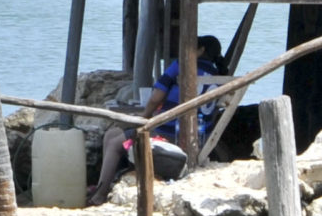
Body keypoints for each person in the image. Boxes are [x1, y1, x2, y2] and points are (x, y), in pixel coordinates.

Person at [88, 35, 226, 204]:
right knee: (112, 134)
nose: (184, 52)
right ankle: (103, 186)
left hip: (169, 133)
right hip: (198, 135)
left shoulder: (181, 66)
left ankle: (100, 195)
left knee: (115, 142)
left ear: (201, 50)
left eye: (191, 48)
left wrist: (145, 116)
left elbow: (155, 98)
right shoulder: (219, 76)